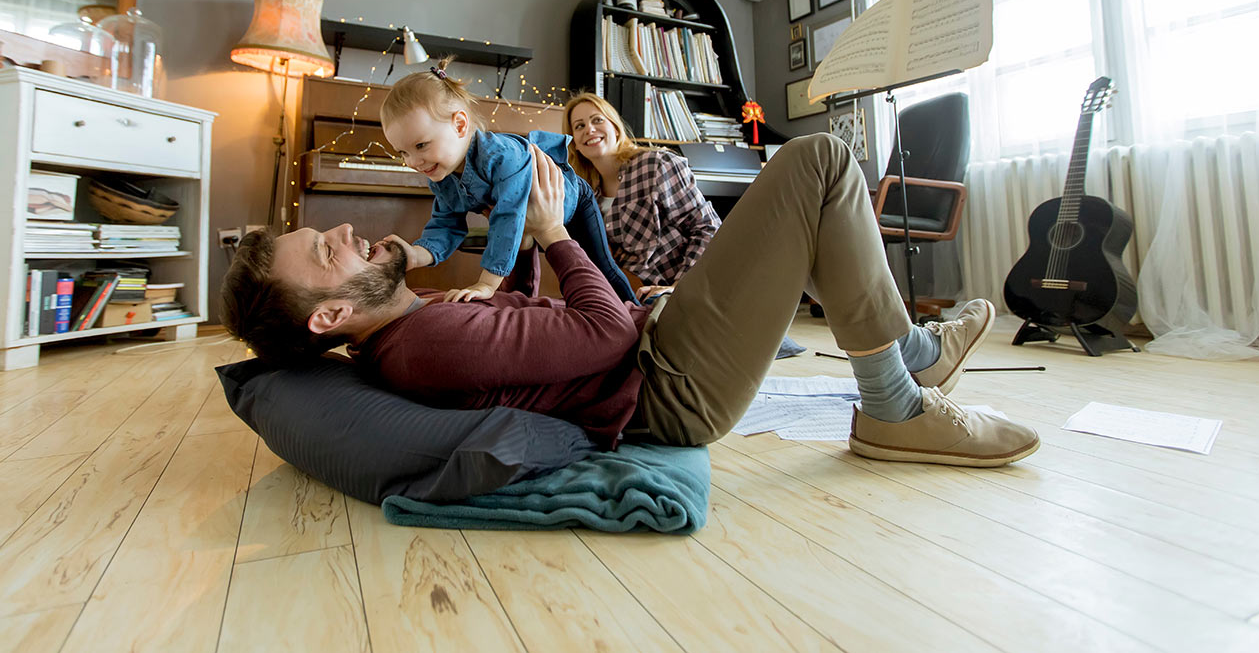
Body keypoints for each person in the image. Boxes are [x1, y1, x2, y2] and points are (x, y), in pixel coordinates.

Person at [222, 133, 1039, 467]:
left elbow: (533, 325)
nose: (343, 235)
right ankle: (897, 404)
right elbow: (605, 337)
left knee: (812, 211)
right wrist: (552, 237)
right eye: (324, 254)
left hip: (658, 340)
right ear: (329, 318)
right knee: (820, 161)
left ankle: (915, 363)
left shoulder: (414, 324)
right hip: (668, 380)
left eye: (324, 231)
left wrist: (548, 228)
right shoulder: (425, 346)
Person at [378, 64, 635, 304]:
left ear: (459, 124)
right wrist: (414, 255)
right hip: (527, 219)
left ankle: (636, 313)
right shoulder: (443, 179)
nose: (413, 161)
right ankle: (522, 307)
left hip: (574, 201)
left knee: (602, 267)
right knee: (522, 253)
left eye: (421, 145)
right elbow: (444, 225)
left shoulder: (499, 155)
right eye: (402, 152)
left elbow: (508, 216)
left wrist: (486, 283)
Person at [563, 92, 720, 302]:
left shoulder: (656, 164)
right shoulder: (587, 195)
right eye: (579, 126)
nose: (589, 129)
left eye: (597, 120)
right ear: (575, 143)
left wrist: (677, 287)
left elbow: (706, 227)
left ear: (615, 127)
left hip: (676, 289)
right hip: (628, 296)